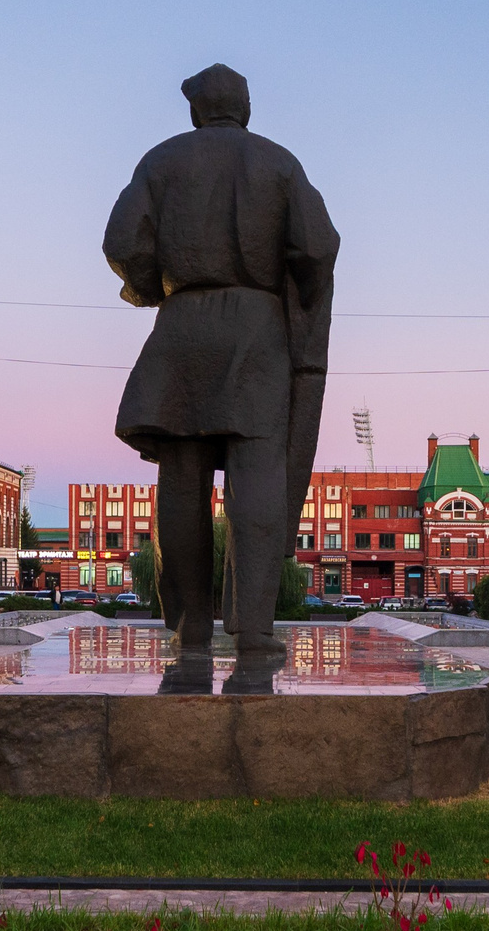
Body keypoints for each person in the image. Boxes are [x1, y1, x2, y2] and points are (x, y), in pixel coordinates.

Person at [104, 65, 339, 659]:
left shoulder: (160, 161)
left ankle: (191, 627)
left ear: (195, 112)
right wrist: (296, 294)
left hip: (183, 328)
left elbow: (121, 239)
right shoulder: (279, 163)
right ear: (248, 109)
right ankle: (255, 629)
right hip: (258, 331)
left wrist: (154, 286)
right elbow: (316, 246)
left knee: (181, 481)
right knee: (257, 476)